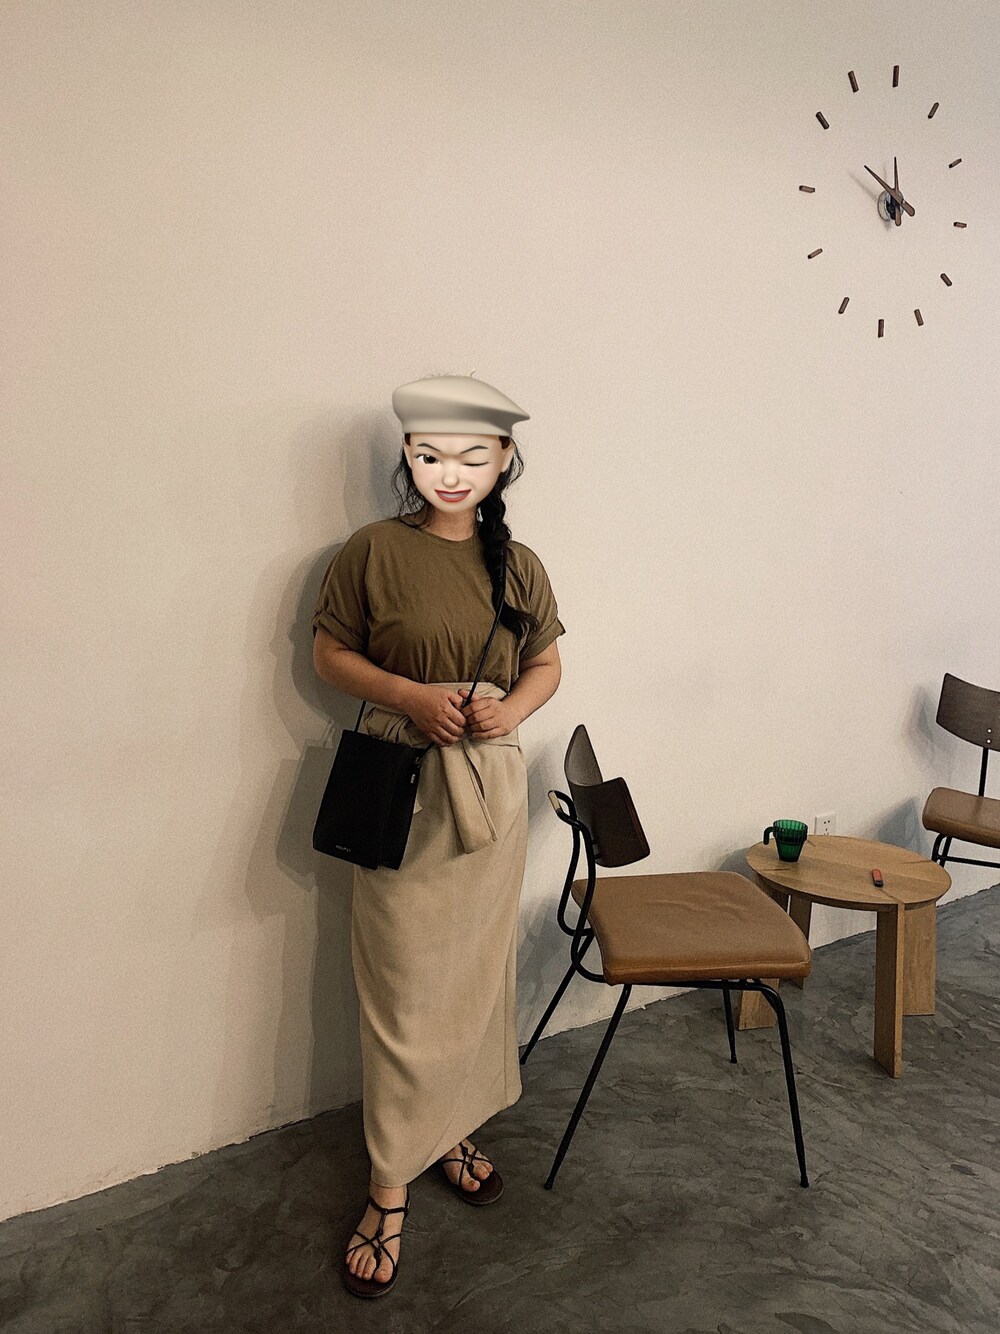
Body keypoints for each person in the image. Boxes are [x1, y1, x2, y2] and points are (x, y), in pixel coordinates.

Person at [311, 374, 565, 1298]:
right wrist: (411, 696)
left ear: (503, 460)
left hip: (489, 794)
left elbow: (546, 661)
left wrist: (513, 710)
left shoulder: (519, 563)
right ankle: (390, 1182)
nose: (449, 472)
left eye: (471, 456)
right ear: (408, 458)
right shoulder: (373, 551)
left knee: (472, 980)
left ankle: (452, 1130)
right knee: (402, 992)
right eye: (430, 455)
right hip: (402, 788)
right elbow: (329, 653)